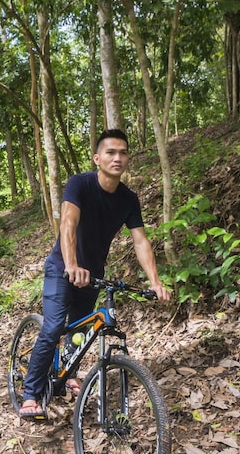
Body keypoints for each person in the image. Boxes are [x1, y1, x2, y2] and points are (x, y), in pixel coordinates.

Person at [19, 128, 171, 420]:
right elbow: (68, 223)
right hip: (62, 267)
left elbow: (140, 241)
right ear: (97, 158)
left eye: (123, 153)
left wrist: (155, 282)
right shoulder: (80, 184)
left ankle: (68, 373)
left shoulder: (128, 199)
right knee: (54, 327)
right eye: (110, 152)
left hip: (92, 274)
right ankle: (31, 394)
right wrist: (71, 265)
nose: (117, 158)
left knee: (80, 329)